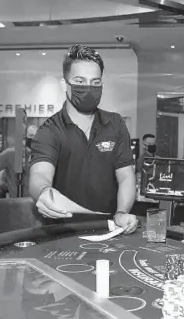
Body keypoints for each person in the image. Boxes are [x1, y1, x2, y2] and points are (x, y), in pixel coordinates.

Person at [29, 44, 138, 234]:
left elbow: (126, 176)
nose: (88, 88)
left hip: (109, 230)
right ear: (64, 85)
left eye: (95, 82)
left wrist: (122, 213)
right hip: (61, 233)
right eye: (80, 81)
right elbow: (39, 175)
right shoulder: (49, 131)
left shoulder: (115, 124)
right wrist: (44, 192)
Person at [0, 124, 38, 197]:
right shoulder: (11, 153)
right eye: (31, 135)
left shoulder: (45, 156)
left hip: (42, 204)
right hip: (18, 203)